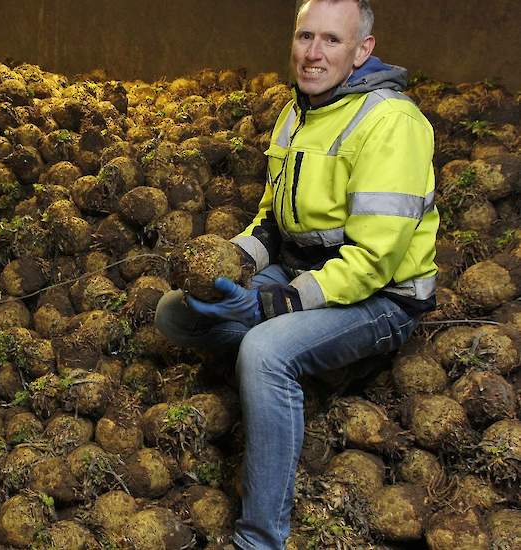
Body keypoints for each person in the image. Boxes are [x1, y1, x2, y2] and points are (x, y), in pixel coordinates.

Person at [155, 0, 438, 548]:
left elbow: (375, 260)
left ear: (363, 51)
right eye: (305, 36)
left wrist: (274, 307)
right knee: (174, 314)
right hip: (302, 275)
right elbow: (273, 223)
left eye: (331, 40)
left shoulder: (392, 123)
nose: (313, 53)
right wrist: (231, 264)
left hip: (382, 299)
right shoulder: (299, 112)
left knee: (264, 351)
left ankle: (261, 536)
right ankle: (324, 366)